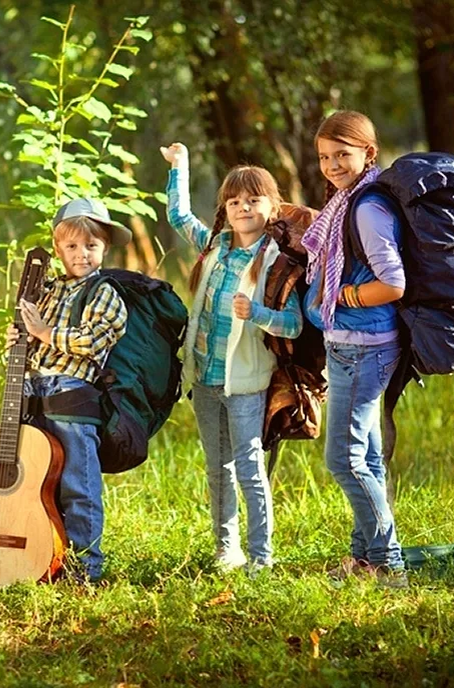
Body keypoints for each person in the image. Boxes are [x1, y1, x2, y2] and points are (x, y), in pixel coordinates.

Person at [160, 142, 303, 577]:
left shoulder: (278, 262)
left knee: (249, 466)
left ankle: (261, 557)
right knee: (217, 466)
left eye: (253, 200)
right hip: (205, 377)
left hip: (246, 383)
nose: (243, 207)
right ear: (225, 207)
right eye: (235, 201)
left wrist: (257, 313)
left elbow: (293, 325)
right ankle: (228, 548)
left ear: (272, 205)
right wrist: (179, 167)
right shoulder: (215, 247)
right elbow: (178, 217)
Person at [301, 110, 408, 588]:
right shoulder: (349, 200)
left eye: (342, 154)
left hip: (363, 346)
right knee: (362, 455)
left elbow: (393, 283)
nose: (332, 164)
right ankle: (364, 559)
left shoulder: (366, 208)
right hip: (352, 345)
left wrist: (342, 296)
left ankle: (389, 563)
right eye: (325, 156)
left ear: (368, 152)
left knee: (342, 459)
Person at [6, 198, 131, 583]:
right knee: (38, 484)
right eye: (72, 246)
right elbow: (26, 343)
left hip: (72, 399)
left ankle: (85, 568)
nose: (82, 254)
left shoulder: (105, 293)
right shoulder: (47, 290)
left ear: (104, 247)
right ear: (58, 248)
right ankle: (43, 557)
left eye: (91, 246)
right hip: (34, 395)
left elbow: (92, 342)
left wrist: (44, 332)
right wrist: (16, 340)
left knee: (78, 484)